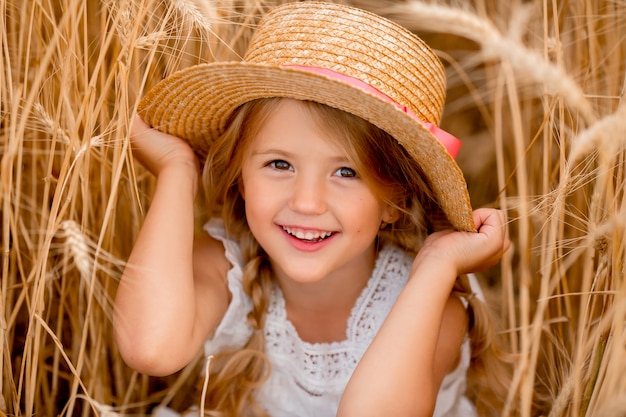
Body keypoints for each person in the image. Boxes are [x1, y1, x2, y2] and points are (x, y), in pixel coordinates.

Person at [113, 2, 511, 416]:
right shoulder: (225, 263)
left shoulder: (430, 299)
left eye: (346, 172)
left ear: (393, 201)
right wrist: (177, 171)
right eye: (279, 164)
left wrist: (437, 267)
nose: (306, 202)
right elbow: (149, 348)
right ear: (241, 176)